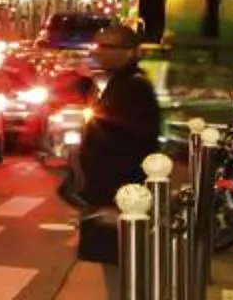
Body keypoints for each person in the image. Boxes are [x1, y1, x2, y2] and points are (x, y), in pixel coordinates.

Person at [58, 23, 161, 297]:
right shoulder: (118, 83)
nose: (98, 52)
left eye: (107, 46)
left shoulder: (134, 88)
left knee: (121, 267)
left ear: (129, 52)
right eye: (98, 45)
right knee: (114, 265)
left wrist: (113, 201)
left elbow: (131, 146)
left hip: (118, 197)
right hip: (108, 194)